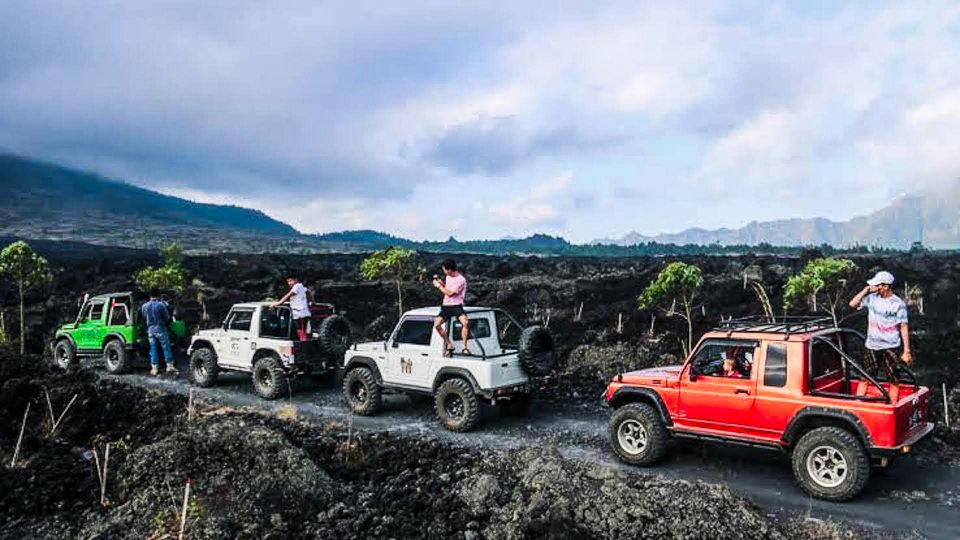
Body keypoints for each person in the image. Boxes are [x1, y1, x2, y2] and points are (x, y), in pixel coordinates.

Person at [848, 270, 912, 378]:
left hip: (891, 346)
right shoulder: (871, 298)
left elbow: (903, 327)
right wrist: (866, 290)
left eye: (878, 285)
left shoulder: (898, 304)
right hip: (872, 345)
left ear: (886, 286)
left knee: (893, 379)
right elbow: (852, 304)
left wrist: (906, 351)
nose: (876, 288)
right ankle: (862, 395)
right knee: (865, 378)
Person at [433, 259, 470, 355]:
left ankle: (465, 347)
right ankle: (449, 343)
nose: (444, 272)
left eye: (444, 270)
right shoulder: (448, 277)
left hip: (456, 305)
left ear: (449, 269)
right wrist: (442, 284)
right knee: (437, 325)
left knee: (465, 322)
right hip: (446, 305)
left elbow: (450, 293)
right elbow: (448, 288)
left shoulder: (461, 280)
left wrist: (438, 286)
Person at [141, 290, 175, 376]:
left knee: (153, 349)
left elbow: (144, 317)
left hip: (150, 330)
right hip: (160, 329)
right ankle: (169, 366)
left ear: (150, 295)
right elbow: (167, 318)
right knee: (166, 347)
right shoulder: (161, 305)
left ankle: (154, 368)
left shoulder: (144, 306)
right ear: (159, 296)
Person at [272, 275, 313, 341]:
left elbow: (288, 295)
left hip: (300, 313)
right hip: (298, 313)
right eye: (288, 281)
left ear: (295, 280)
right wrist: (311, 301)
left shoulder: (297, 286)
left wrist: (278, 303)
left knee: (301, 331)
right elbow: (309, 292)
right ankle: (302, 342)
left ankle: (303, 345)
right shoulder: (301, 287)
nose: (289, 283)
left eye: (291, 281)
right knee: (299, 330)